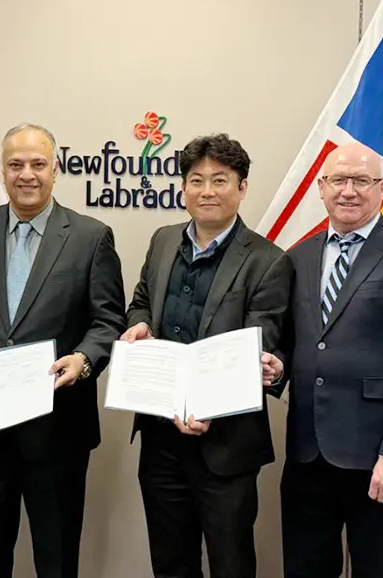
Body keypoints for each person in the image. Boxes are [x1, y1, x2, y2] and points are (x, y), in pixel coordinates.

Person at [0, 122, 126, 578]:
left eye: (37, 164)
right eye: (16, 165)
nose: (27, 174)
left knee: (56, 560)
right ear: (2, 171)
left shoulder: (90, 237)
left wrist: (83, 361)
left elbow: (109, 321)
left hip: (58, 431)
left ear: (54, 169)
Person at [120, 132, 290, 578]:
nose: (207, 191)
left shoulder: (268, 260)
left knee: (230, 563)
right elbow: (141, 300)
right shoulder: (162, 240)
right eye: (196, 180)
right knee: (170, 561)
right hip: (160, 439)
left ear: (242, 186)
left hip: (227, 446)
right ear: (183, 186)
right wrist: (137, 322)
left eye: (220, 180)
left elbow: (261, 344)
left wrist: (207, 407)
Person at [280, 142, 383, 578]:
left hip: (378, 457)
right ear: (321, 188)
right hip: (307, 454)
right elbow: (294, 342)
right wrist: (274, 367)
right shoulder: (298, 257)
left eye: (361, 181)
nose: (348, 191)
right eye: (338, 180)